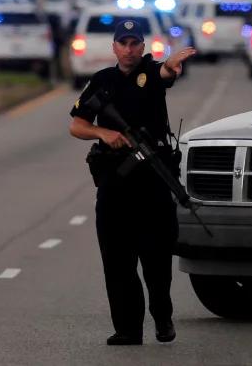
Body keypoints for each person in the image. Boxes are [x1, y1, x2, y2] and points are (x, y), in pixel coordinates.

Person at [68, 18, 197, 346]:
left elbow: (166, 73)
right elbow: (77, 125)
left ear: (143, 46)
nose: (129, 49)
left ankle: (162, 314)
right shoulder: (102, 81)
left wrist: (171, 65)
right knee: (117, 261)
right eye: (123, 44)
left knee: (156, 260)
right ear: (114, 47)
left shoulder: (151, 74)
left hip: (152, 184)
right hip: (114, 185)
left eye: (135, 44)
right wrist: (103, 133)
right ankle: (128, 328)